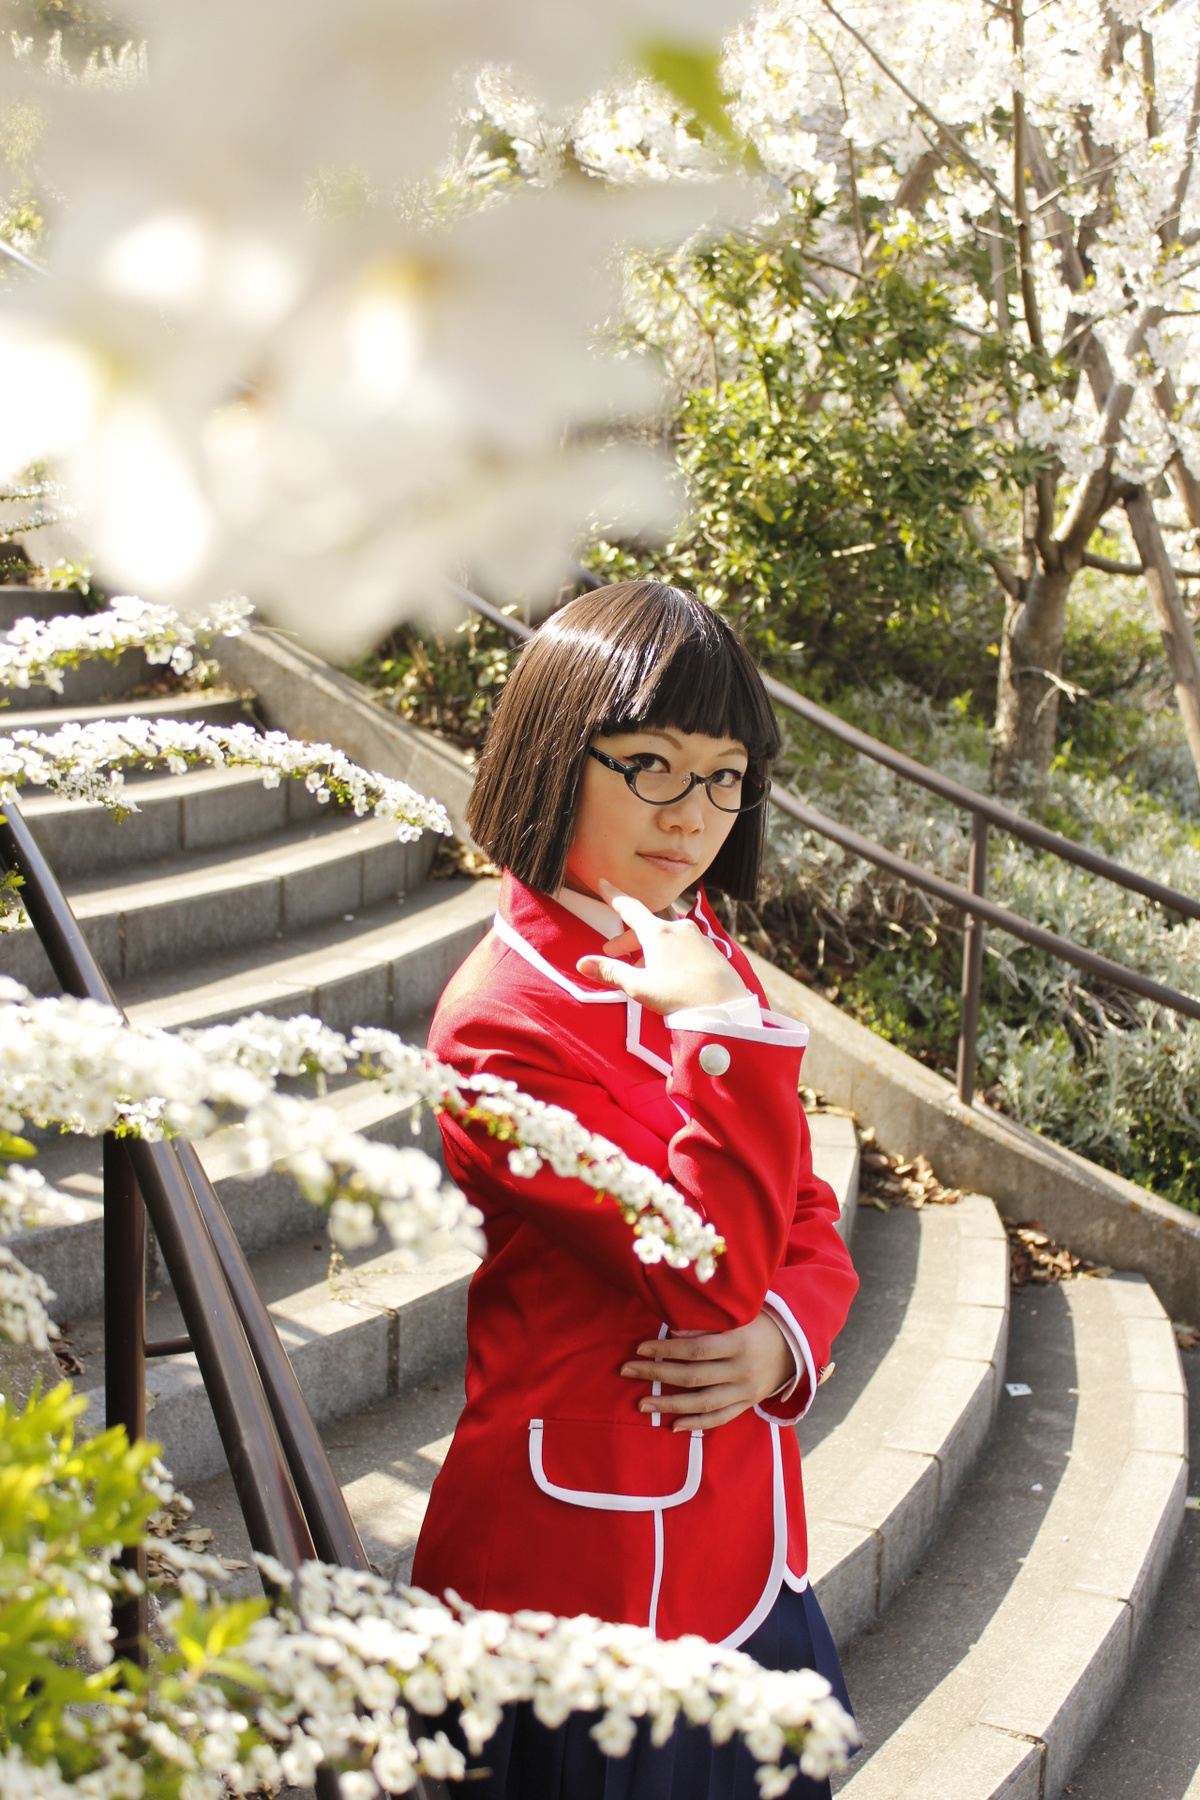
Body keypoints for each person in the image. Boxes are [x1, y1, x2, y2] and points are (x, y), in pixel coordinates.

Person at [411, 579, 860, 1798]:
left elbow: (804, 1222)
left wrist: (782, 1343)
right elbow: (700, 1272)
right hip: (582, 1571)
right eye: (652, 763)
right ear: (559, 756)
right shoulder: (500, 1024)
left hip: (743, 1543)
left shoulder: (693, 943)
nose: (695, 813)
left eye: (726, 774)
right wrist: (726, 1035)